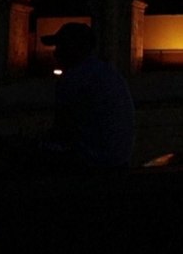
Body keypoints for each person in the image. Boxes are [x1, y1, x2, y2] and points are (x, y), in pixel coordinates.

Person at [41, 22, 135, 170]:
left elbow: (62, 131)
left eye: (60, 47)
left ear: (73, 48)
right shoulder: (108, 72)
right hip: (117, 160)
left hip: (92, 161)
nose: (55, 53)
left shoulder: (74, 79)